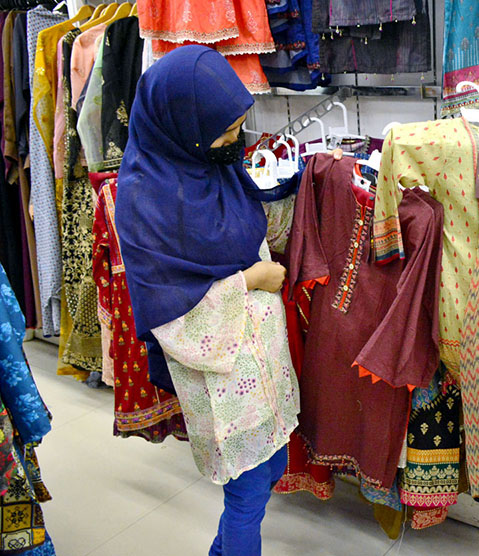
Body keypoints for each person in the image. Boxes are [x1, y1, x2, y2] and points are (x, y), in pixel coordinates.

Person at [115, 46, 300, 556]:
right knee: (247, 495)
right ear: (183, 122)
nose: (234, 140)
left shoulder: (207, 162)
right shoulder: (144, 197)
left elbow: (242, 229)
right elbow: (168, 311)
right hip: (220, 378)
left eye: (238, 125)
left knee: (273, 467)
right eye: (225, 130)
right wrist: (252, 280)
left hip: (260, 363)